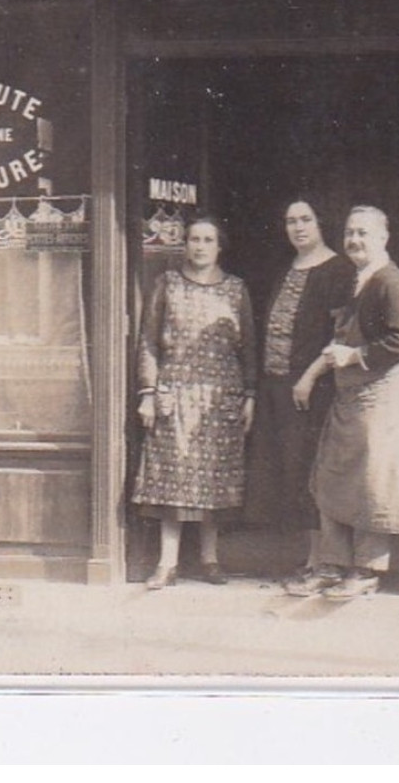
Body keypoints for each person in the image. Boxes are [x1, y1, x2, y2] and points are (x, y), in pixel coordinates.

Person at [288, 205, 399, 601]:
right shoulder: (359, 280)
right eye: (349, 233)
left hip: (379, 396)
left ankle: (367, 570)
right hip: (352, 396)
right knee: (333, 476)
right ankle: (334, 564)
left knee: (372, 481)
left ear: (383, 238)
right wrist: (316, 371)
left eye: (363, 233)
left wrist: (356, 357)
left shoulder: (389, 282)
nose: (354, 241)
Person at [131, 216, 257, 589]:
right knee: (174, 475)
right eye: (194, 239)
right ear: (185, 244)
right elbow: (149, 341)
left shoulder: (236, 290)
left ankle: (209, 559)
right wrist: (149, 393)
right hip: (175, 392)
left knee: (214, 477)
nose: (200, 246)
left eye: (208, 240)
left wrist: (249, 394)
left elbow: (248, 345)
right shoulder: (167, 284)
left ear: (220, 246)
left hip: (221, 395)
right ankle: (166, 563)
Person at [242, 200, 356, 580]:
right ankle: (306, 558)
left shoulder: (338, 270)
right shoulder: (288, 269)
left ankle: (320, 560)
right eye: (290, 221)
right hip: (278, 387)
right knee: (288, 469)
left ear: (321, 222)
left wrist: (309, 376)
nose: (298, 227)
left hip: (314, 388)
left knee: (312, 469)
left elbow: (342, 335)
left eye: (306, 219)